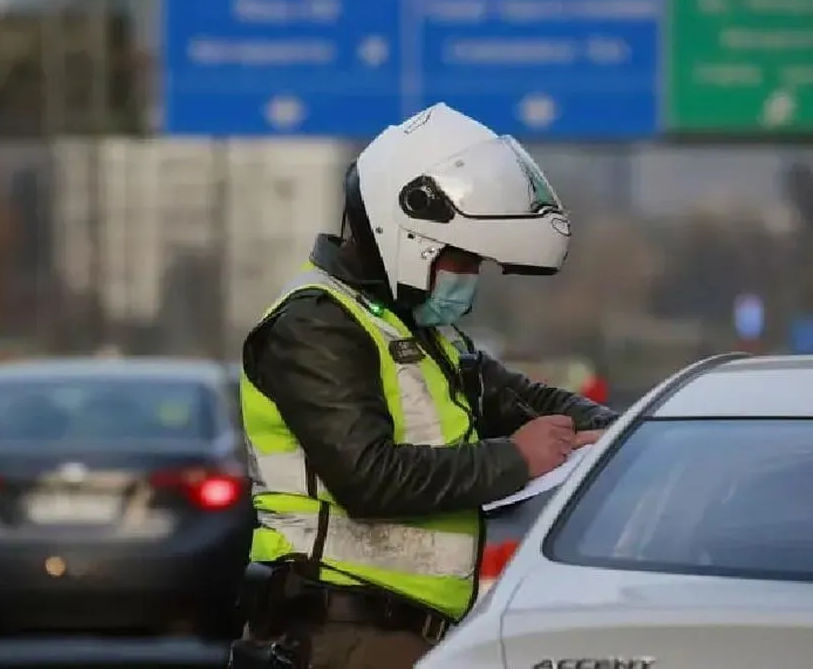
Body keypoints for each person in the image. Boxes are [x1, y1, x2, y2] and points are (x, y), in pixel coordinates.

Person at [230, 103, 618, 669]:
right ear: (410, 235)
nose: (470, 276)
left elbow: (522, 399)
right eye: (463, 257)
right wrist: (516, 459)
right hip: (339, 633)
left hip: (408, 633)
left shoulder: (415, 327)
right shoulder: (314, 325)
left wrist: (626, 435)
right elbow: (368, 477)